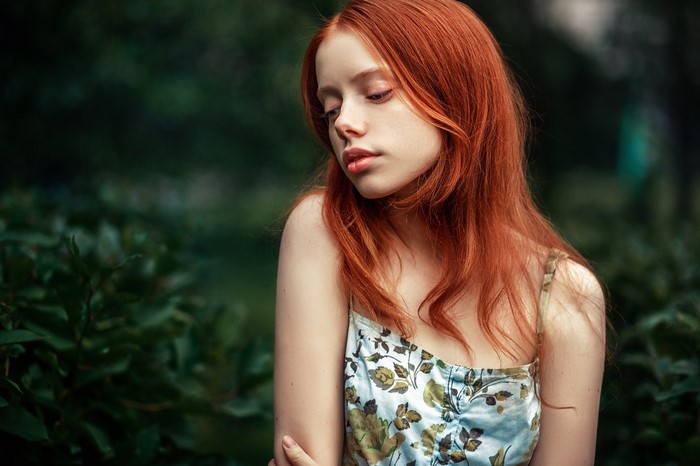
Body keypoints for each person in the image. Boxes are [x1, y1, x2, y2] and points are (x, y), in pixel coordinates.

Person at [270, 0, 607, 464]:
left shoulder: (566, 296)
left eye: (377, 92)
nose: (344, 123)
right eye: (330, 108)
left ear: (456, 94)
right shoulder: (327, 233)